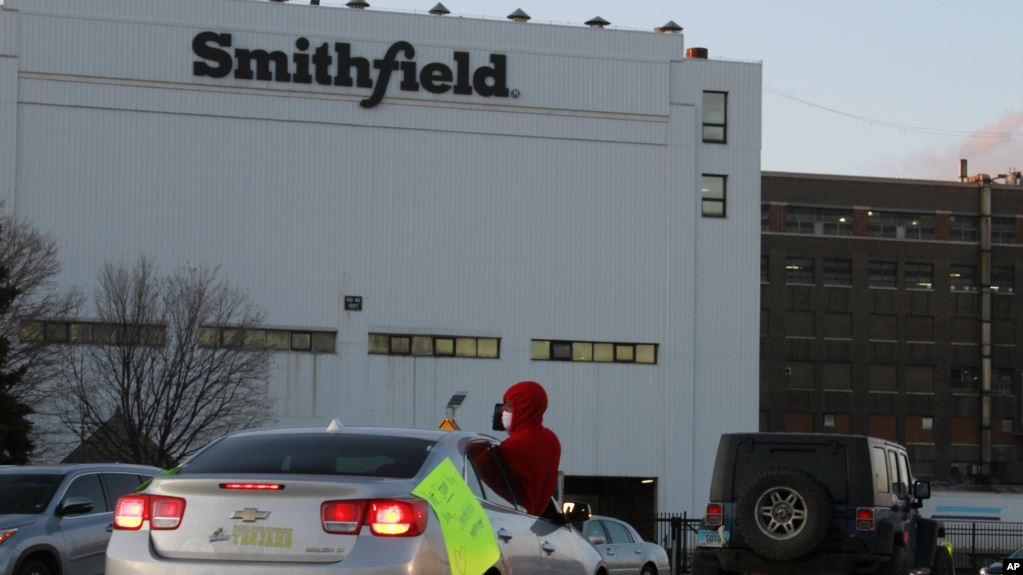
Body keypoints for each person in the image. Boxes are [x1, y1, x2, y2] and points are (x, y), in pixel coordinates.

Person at [499, 380, 561, 516]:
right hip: (539, 521)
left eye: (509, 406)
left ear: (524, 408)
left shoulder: (512, 446)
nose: (503, 410)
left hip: (514, 517)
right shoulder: (551, 439)